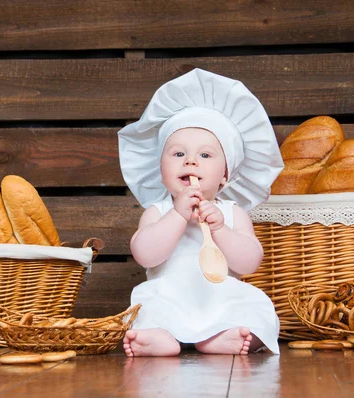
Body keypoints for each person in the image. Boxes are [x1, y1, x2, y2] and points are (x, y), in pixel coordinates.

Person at [117, 68, 284, 357]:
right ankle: (160, 337)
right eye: (178, 154)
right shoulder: (159, 211)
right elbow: (146, 254)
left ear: (225, 175)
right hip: (168, 297)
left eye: (205, 155)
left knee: (255, 306)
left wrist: (221, 230)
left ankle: (227, 336)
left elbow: (249, 263)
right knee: (148, 307)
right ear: (160, 171)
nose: (191, 161)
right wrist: (178, 216)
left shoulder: (232, 213)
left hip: (221, 298)